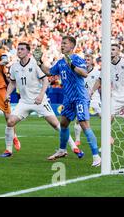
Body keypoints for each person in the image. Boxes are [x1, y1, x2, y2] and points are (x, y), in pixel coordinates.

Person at [1, 42, 83, 158]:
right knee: (10, 121)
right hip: (24, 102)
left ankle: (74, 147)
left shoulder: (34, 64)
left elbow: (46, 80)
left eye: (22, 49)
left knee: (56, 125)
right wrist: (7, 94)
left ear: (28, 52)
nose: (19, 51)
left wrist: (40, 95)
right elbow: (13, 83)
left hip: (40, 101)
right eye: (18, 49)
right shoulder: (14, 66)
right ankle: (8, 150)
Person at [35, 36, 101, 167]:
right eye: (61, 43)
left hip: (80, 97)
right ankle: (62, 150)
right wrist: (39, 62)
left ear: (72, 46)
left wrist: (71, 64)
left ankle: (96, 156)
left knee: (84, 124)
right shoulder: (60, 62)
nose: (62, 45)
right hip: (68, 98)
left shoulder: (77, 59)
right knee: (64, 124)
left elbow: (84, 73)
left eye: (64, 43)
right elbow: (49, 72)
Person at [89, 44, 124, 128]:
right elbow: (99, 80)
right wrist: (91, 92)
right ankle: (107, 138)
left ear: (118, 52)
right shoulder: (106, 66)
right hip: (116, 96)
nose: (111, 51)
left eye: (113, 49)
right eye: (110, 49)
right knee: (108, 119)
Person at [74, 53, 101, 146]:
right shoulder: (80, 72)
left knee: (103, 116)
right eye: (85, 59)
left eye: (88, 59)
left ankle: (107, 136)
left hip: (94, 98)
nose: (86, 61)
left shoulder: (97, 73)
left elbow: (100, 84)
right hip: (82, 99)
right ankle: (77, 139)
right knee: (79, 119)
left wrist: (93, 92)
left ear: (92, 61)